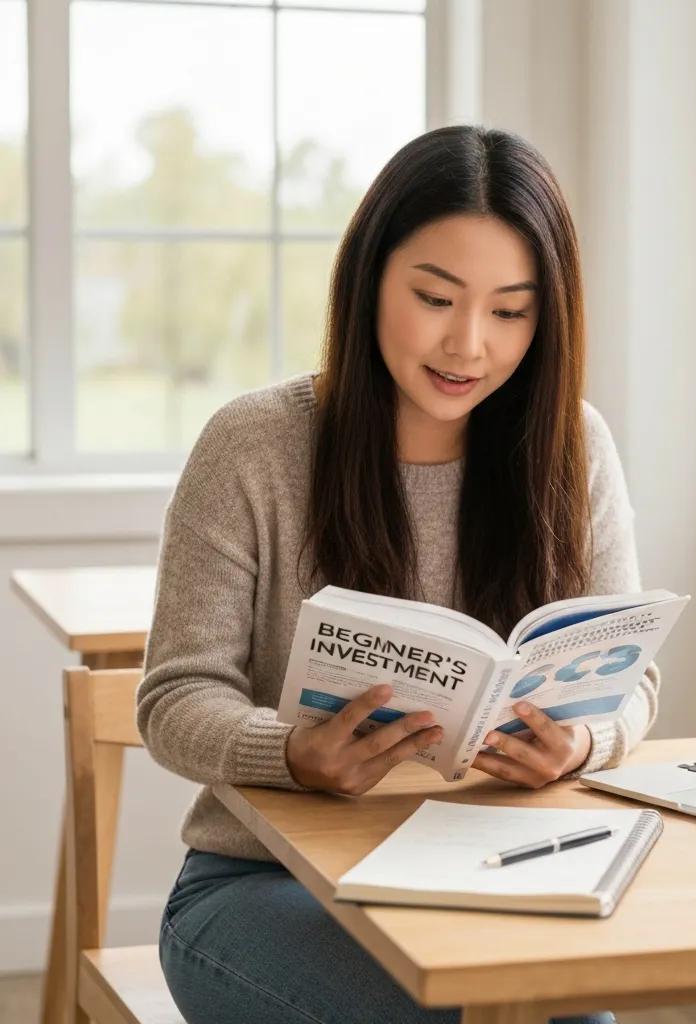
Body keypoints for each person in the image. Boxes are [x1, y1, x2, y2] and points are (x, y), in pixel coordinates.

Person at [137, 124, 660, 1024]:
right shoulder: (255, 445)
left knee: (576, 1014)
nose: (468, 345)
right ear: (370, 278)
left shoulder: (574, 446)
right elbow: (176, 696)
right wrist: (291, 754)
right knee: (452, 1015)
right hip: (263, 883)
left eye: (510, 311)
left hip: (497, 866)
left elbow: (633, 677)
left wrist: (582, 743)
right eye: (434, 297)